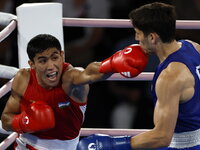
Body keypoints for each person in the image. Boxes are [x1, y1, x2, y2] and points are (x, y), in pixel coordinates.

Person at [76, 2, 200, 150]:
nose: (136, 38)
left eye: (138, 33)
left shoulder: (170, 77)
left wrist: (113, 145)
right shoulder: (192, 46)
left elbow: (161, 137)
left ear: (152, 37)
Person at [0, 34, 148, 150]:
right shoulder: (23, 78)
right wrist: (24, 122)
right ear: (32, 64)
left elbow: (88, 73)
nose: (51, 66)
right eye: (43, 61)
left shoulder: (70, 78)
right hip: (23, 145)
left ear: (62, 55)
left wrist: (111, 64)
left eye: (55, 57)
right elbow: (6, 120)